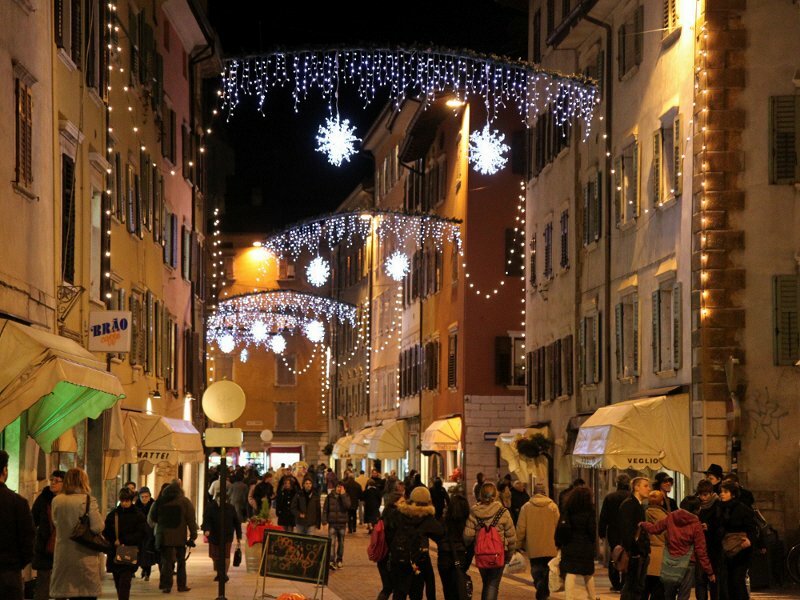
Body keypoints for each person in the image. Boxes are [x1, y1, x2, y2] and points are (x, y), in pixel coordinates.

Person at [640, 496, 716, 600]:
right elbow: (701, 551)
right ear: (696, 509)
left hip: (670, 561)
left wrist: (643, 524)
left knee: (669, 594)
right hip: (688, 563)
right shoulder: (696, 524)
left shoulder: (671, 517)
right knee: (683, 595)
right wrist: (710, 572)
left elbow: (654, 529)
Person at [50, 467, 104, 600]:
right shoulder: (88, 500)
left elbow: (56, 522)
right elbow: (97, 527)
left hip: (63, 555)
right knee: (84, 594)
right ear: (84, 481)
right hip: (84, 556)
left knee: (64, 590)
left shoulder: (57, 500)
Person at [384, 486, 443, 600]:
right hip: (417, 561)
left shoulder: (400, 513)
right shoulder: (426, 518)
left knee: (399, 593)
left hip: (399, 560)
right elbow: (440, 532)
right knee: (416, 593)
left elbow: (389, 532)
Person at [464, 482, 517, 600]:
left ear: (480, 495)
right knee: (492, 584)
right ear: (495, 495)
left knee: (487, 583)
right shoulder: (503, 512)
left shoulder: (474, 512)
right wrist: (508, 556)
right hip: (499, 554)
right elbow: (512, 538)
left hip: (481, 554)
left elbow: (467, 536)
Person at [148, 479, 198, 593]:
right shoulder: (185, 502)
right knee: (181, 562)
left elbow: (152, 518)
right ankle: (181, 585)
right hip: (180, 537)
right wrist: (193, 535)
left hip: (164, 537)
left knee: (166, 562)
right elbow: (191, 520)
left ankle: (166, 585)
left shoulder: (160, 501)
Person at [0, 450, 34, 600]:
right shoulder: (18, 502)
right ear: (4, 470)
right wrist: (18, 563)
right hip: (9, 572)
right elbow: (28, 539)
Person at [516, 482, 559, 600]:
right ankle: (543, 589)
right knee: (547, 571)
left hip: (533, 547)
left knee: (536, 571)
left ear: (533, 493)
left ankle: (540, 587)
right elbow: (558, 526)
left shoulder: (526, 507)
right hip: (551, 546)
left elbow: (521, 528)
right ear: (544, 493)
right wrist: (560, 543)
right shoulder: (553, 507)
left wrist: (517, 544)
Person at [103, 487, 147, 600]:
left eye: (127, 500)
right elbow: (106, 531)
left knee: (125, 582)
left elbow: (142, 533)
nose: (124, 503)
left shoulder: (138, 514)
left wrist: (124, 540)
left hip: (130, 551)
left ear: (131, 500)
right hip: (115, 552)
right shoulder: (113, 514)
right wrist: (114, 541)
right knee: (118, 581)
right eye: (122, 500)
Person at [718, 481, 758, 600]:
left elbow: (752, 527)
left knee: (737, 580)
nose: (722, 494)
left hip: (741, 549)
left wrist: (749, 540)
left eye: (725, 492)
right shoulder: (720, 507)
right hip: (727, 548)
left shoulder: (742, 508)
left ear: (733, 494)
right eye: (721, 491)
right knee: (729, 581)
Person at [556, 486, 597, 600]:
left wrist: (560, 543)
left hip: (570, 544)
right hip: (585, 545)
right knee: (588, 573)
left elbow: (561, 527)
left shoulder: (568, 508)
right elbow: (592, 530)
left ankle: (569, 597)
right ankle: (592, 596)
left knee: (570, 572)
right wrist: (593, 543)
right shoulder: (590, 510)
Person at [31, 469, 64, 600]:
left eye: (57, 481)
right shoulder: (43, 498)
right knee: (43, 583)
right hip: (45, 546)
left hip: (63, 548)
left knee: (61, 585)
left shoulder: (67, 500)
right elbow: (33, 519)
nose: (53, 483)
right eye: (52, 480)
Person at [619, 476, 652, 600]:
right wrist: (634, 551)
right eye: (645, 486)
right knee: (632, 586)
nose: (649, 489)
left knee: (637, 586)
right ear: (636, 487)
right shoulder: (629, 505)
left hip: (640, 552)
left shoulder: (638, 505)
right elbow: (627, 530)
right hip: (635, 553)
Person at [598, 472, 631, 591]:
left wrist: (601, 533)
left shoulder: (610, 497)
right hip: (628, 531)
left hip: (614, 532)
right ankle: (625, 581)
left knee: (615, 555)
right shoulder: (631, 497)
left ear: (617, 484)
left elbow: (603, 517)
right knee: (627, 555)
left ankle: (615, 582)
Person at [437, 493, 471, 600]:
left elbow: (438, 538)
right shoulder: (467, 524)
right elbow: (470, 545)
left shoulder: (443, 521)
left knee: (448, 590)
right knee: (459, 590)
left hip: (444, 558)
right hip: (460, 558)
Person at [202, 494, 243, 583]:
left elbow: (236, 522)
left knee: (226, 556)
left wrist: (239, 536)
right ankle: (219, 573)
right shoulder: (210, 507)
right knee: (215, 556)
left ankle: (224, 574)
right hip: (214, 535)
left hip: (227, 535)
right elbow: (206, 520)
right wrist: (207, 529)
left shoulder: (230, 508)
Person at [695, 479, 722, 600]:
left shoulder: (718, 504)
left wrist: (709, 526)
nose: (702, 498)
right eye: (700, 495)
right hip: (700, 547)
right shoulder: (696, 506)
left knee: (714, 579)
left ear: (711, 493)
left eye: (705, 494)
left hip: (714, 547)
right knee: (700, 580)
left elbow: (721, 524)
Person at [643, 490, 668, 600]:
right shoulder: (666, 518)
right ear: (662, 502)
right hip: (661, 557)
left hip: (646, 555)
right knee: (658, 591)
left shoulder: (643, 514)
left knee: (644, 590)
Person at [323, 483, 351, 570]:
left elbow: (348, 506)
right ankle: (331, 561)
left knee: (341, 543)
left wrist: (343, 495)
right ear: (335, 487)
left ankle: (339, 560)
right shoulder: (330, 496)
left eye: (341, 487)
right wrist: (324, 521)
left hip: (342, 524)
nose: (339, 488)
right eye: (338, 487)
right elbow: (325, 509)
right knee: (331, 543)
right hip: (332, 523)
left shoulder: (346, 496)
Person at [135, 486, 156, 581]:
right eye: (142, 497)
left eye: (146, 496)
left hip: (150, 533)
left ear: (149, 496)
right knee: (140, 554)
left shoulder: (153, 505)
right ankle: (143, 569)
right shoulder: (136, 506)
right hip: (139, 534)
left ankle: (147, 572)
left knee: (148, 553)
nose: (144, 498)